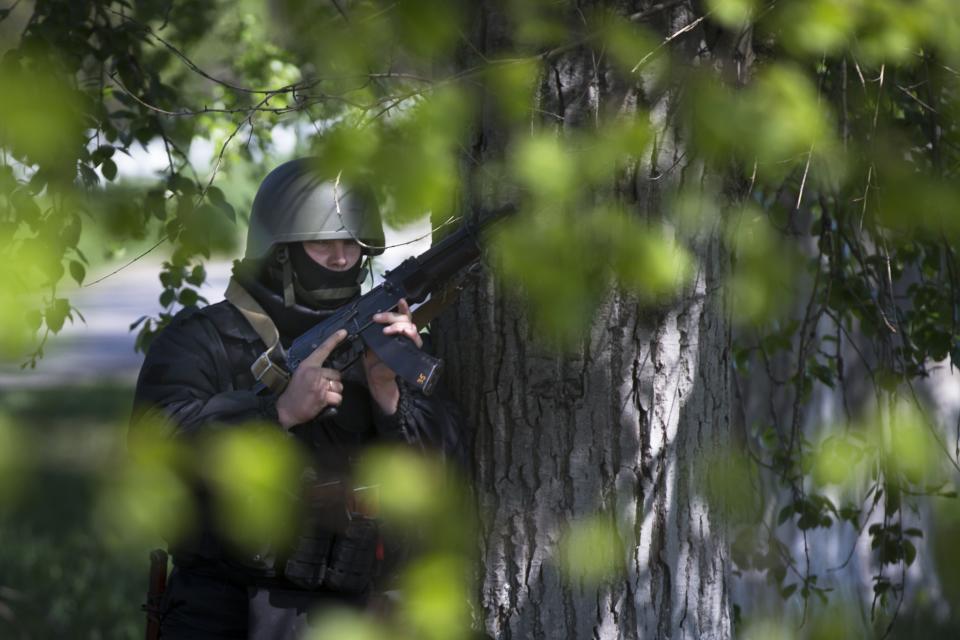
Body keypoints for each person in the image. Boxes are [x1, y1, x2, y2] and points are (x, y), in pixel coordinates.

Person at [130, 158, 463, 639]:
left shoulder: (389, 343)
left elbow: (445, 484)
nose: (340, 258)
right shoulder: (204, 339)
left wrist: (391, 396)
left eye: (351, 243)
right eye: (323, 241)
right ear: (279, 252)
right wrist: (275, 413)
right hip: (227, 612)